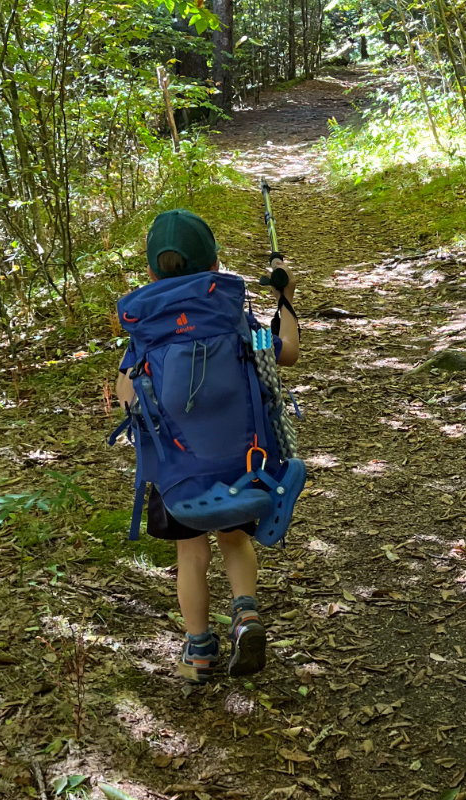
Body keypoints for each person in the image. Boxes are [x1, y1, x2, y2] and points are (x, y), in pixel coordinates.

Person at [115, 209, 300, 684]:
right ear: (216, 264)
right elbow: (287, 353)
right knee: (234, 537)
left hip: (177, 468)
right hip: (242, 461)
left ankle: (198, 652)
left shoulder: (146, 325)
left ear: (151, 271)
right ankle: (247, 614)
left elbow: (126, 393)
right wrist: (285, 299)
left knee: (190, 554)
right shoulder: (234, 314)